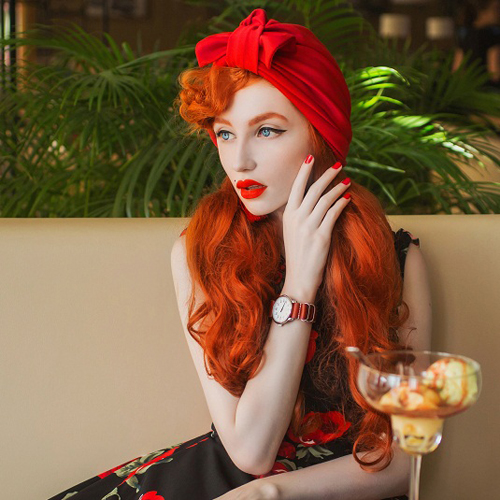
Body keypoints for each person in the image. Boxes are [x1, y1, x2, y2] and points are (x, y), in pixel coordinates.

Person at [48, 8, 431, 500]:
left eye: (267, 131)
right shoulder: (199, 249)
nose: (238, 159)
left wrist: (269, 495)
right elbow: (249, 451)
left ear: (321, 134)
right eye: (225, 133)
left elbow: (408, 458)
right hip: (211, 482)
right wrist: (299, 283)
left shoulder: (396, 258)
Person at [453, 0, 500, 87]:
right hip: (490, 93)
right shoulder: (494, 35)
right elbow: (494, 72)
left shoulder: (465, 35)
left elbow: (457, 70)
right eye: (497, 9)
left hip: (471, 92)